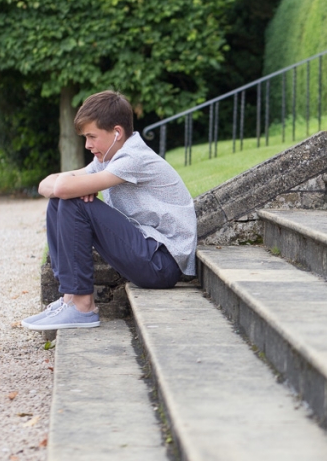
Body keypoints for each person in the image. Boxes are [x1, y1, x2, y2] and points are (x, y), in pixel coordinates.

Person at [22, 90, 197, 331]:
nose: (87, 145)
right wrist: (69, 188)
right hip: (147, 253)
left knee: (73, 201)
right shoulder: (106, 159)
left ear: (116, 132)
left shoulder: (133, 157)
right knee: (59, 202)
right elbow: (47, 185)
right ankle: (70, 299)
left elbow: (61, 186)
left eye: (92, 136)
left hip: (162, 263)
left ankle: (83, 307)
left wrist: (70, 188)